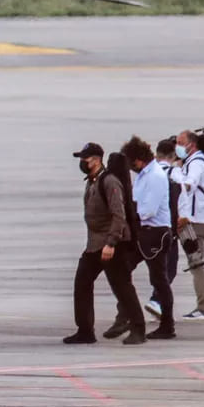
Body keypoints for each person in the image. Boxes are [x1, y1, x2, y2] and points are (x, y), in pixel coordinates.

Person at [63, 143, 146, 346]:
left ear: (97, 159)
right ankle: (85, 330)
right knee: (82, 283)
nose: (83, 162)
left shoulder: (109, 182)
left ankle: (138, 329)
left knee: (122, 287)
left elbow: (119, 215)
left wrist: (111, 243)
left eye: (86, 158)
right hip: (94, 244)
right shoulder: (92, 181)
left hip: (111, 244)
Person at [118, 136, 176, 340]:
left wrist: (129, 214)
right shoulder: (144, 174)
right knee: (123, 269)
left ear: (138, 159)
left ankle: (168, 325)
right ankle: (124, 315)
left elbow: (148, 210)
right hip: (144, 232)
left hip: (156, 233)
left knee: (159, 279)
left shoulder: (155, 177)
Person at [174, 129, 204, 320]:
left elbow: (189, 185)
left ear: (191, 145)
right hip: (203, 219)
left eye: (179, 142)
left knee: (196, 264)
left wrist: (175, 173)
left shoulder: (196, 164)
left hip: (196, 221)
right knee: (200, 263)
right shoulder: (200, 161)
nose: (177, 146)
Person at [145, 138, 182, 319]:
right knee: (170, 268)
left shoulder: (149, 173)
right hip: (168, 227)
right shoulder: (175, 173)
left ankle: (155, 302)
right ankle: (156, 301)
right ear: (173, 155)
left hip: (148, 227)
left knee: (158, 266)